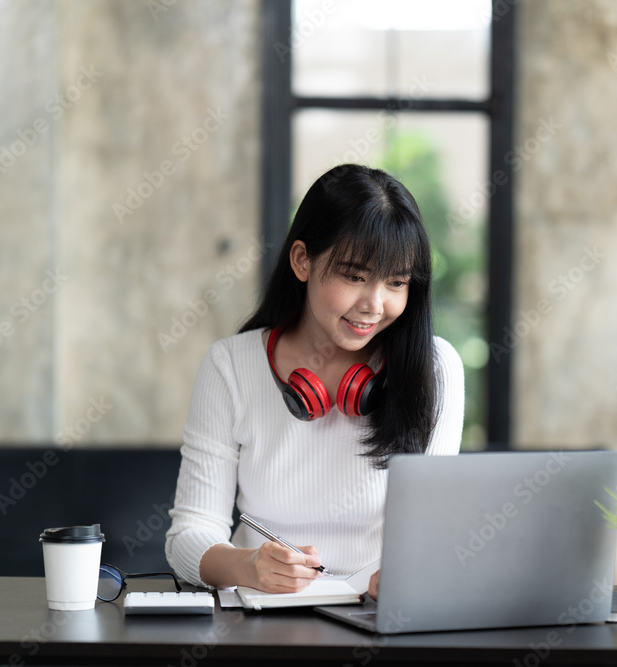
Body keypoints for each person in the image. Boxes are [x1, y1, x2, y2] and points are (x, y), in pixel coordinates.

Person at [165, 164, 464, 599]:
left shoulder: (435, 368)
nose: (374, 305)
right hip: (265, 619)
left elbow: (437, 530)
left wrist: (416, 572)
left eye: (396, 282)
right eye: (354, 276)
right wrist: (247, 566)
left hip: (382, 619)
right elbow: (188, 535)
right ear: (303, 260)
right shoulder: (230, 366)